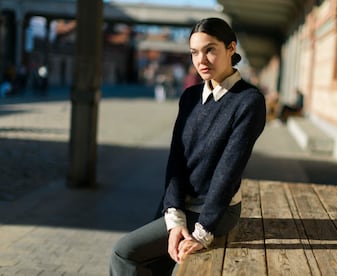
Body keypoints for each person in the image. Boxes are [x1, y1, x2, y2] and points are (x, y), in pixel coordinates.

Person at [109, 17, 266, 276]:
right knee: (148, 262)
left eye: (210, 50)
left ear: (231, 48)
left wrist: (203, 231)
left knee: (125, 252)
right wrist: (174, 214)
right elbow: (176, 159)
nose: (201, 60)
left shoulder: (249, 102)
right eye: (195, 52)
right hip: (180, 203)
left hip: (215, 210)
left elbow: (228, 171)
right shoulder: (191, 97)